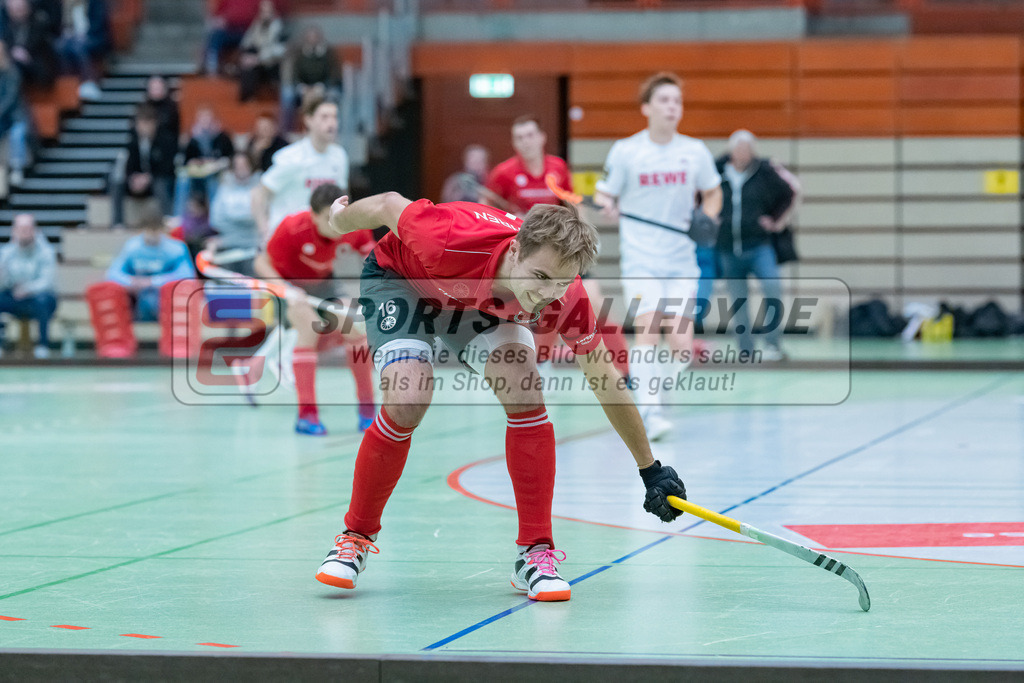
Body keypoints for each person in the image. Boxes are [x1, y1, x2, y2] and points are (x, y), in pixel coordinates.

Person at [312, 192, 688, 601]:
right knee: (408, 397)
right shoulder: (447, 237)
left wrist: (649, 469)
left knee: (524, 388)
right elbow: (388, 204)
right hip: (402, 280)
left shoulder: (563, 294)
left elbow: (606, 380)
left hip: (480, 306)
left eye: (561, 283)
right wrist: (339, 222)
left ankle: (535, 552)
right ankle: (355, 537)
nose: (546, 293)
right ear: (515, 250)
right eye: (540, 277)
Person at [594, 72, 723, 441]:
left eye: (677, 101)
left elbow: (713, 193)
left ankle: (653, 390)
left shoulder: (694, 151)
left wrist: (708, 217)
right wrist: (607, 205)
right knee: (648, 332)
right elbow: (604, 194)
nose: (672, 107)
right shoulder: (626, 151)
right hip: (642, 260)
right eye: (664, 100)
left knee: (681, 347)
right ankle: (650, 412)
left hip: (681, 260)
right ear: (646, 108)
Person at [254, 183, 376, 435]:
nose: (338, 226)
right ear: (314, 215)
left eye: (340, 217)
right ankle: (306, 416)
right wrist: (286, 290)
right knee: (309, 326)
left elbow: (373, 259)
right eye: (329, 220)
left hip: (324, 284)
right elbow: (261, 262)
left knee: (353, 326)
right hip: (288, 288)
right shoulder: (292, 227)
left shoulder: (352, 224)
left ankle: (368, 411)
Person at [714, 129, 796, 361]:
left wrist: (776, 220)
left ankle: (772, 344)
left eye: (747, 149)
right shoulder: (716, 171)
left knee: (772, 288)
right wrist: (709, 217)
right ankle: (745, 349)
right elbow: (698, 194)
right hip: (728, 248)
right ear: (731, 151)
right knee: (738, 301)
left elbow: (791, 191)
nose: (743, 153)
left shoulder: (765, 171)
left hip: (759, 245)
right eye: (739, 148)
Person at [251, 91, 348, 242]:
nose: (332, 123)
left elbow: (343, 197)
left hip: (320, 239)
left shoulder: (339, 156)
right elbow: (258, 195)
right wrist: (264, 230)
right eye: (324, 117)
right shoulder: (292, 157)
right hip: (287, 239)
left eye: (334, 117)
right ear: (308, 120)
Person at [105, 215, 195, 321]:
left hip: (166, 297)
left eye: (156, 231)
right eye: (149, 231)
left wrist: (154, 282)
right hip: (137, 296)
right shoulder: (131, 247)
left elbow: (187, 275)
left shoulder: (176, 248)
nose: (153, 235)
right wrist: (130, 281)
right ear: (141, 231)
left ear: (163, 230)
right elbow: (112, 273)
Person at [485, 115, 571, 216]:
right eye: (519, 138)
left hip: (552, 225)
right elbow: (486, 206)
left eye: (530, 135)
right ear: (513, 143)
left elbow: (571, 202)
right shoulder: (502, 172)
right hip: (519, 225)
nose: (525, 142)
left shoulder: (558, 167)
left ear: (542, 137)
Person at [0, 213, 57, 358]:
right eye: (20, 229)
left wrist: (27, 289)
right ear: (14, 230)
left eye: (27, 229)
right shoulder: (6, 252)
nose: (24, 232)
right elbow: (3, 283)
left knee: (43, 300)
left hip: (38, 298)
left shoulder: (46, 251)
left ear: (34, 230)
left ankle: (43, 346)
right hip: (15, 296)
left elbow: (47, 282)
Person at [115, 103, 178, 227]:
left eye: (146, 123)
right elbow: (129, 165)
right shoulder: (132, 141)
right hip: (138, 182)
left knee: (160, 184)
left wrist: (148, 178)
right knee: (117, 183)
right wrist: (133, 178)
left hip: (156, 180)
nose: (143, 128)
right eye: (140, 124)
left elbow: (167, 167)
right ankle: (118, 222)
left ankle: (168, 218)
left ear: (154, 124)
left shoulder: (166, 140)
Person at [279, 26, 339, 133]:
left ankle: (330, 129)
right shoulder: (298, 53)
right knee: (287, 94)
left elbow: (334, 74)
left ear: (320, 38)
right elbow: (293, 74)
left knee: (334, 95)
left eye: (315, 37)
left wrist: (322, 86)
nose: (312, 40)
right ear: (305, 38)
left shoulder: (329, 53)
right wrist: (301, 87)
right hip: (303, 87)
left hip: (323, 87)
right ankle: (287, 130)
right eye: (310, 37)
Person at [208, 151, 261, 271]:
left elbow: (260, 217)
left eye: (244, 165)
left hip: (254, 243)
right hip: (228, 241)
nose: (241, 169)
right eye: (237, 166)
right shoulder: (224, 187)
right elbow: (215, 219)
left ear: (251, 166)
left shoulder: (260, 186)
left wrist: (236, 217)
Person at [53, 0, 110, 101]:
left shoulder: (95, 3)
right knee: (59, 47)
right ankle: (69, 85)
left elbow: (99, 24)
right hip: (71, 38)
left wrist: (85, 35)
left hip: (93, 37)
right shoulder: (65, 5)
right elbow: (62, 25)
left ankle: (88, 81)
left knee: (78, 46)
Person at [181, 104, 234, 201]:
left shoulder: (223, 137)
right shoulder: (193, 138)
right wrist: (195, 161)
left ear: (213, 118)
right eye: (202, 118)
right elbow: (186, 159)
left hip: (217, 172)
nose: (205, 121)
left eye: (208, 117)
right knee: (183, 179)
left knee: (212, 181)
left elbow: (230, 158)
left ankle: (214, 209)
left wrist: (215, 163)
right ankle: (180, 210)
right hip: (197, 173)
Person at [1, 0, 57, 88]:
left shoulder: (40, 29)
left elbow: (46, 67)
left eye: (20, 8)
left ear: (28, 8)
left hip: (35, 71)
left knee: (13, 72)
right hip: (10, 68)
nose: (18, 12)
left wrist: (27, 60)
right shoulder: (6, 30)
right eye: (14, 9)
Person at [237, 0, 285, 102]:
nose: (265, 14)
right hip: (256, 62)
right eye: (262, 11)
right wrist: (246, 56)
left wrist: (257, 59)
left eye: (268, 11)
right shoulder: (257, 24)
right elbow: (246, 42)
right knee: (247, 64)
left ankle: (249, 98)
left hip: (271, 65)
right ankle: (247, 99)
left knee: (251, 65)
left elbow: (279, 50)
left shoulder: (279, 27)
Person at [0, 40, 30, 187]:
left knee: (17, 134)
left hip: (13, 117)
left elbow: (10, 99)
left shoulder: (12, 72)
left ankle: (16, 168)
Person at [143, 75, 180, 142]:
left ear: (164, 89)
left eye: (158, 88)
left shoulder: (172, 108)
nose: (156, 91)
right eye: (154, 88)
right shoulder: (143, 109)